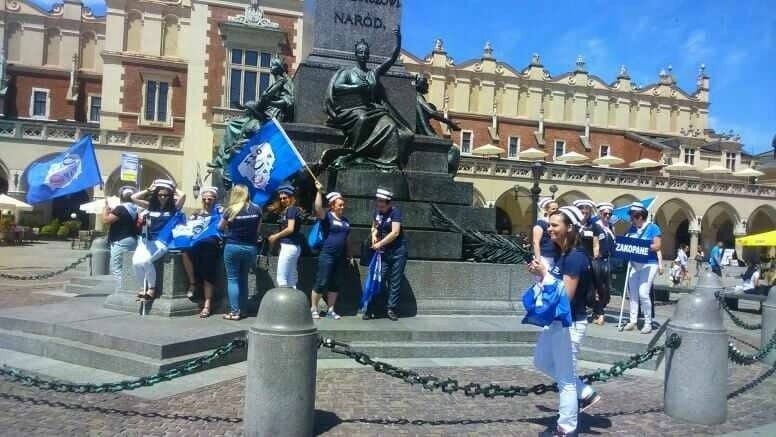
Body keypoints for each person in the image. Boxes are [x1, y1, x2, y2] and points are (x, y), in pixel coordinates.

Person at [528, 206, 600, 436]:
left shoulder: (576, 258)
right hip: (557, 323)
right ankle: (585, 392)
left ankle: (566, 429)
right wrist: (541, 274)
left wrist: (545, 274)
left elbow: (565, 297)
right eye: (549, 225)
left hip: (570, 324)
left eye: (554, 225)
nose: (549, 229)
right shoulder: (564, 255)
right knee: (541, 361)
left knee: (566, 380)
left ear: (569, 228)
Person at [130, 179, 186, 300]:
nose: (162, 197)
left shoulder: (174, 208)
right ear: (156, 195)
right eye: (160, 194)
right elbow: (133, 198)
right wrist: (149, 190)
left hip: (163, 241)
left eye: (166, 195)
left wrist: (171, 187)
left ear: (170, 195)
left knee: (146, 261)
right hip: (146, 240)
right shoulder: (150, 206)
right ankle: (141, 288)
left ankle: (151, 289)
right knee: (136, 262)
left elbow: (183, 195)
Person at [218, 185, 262, 320]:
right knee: (243, 279)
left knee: (232, 279)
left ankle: (234, 312)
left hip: (233, 246)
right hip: (250, 248)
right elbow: (258, 230)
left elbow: (220, 227)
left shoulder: (230, 210)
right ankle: (243, 310)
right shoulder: (257, 209)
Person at [310, 185, 353, 320]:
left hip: (340, 257)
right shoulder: (327, 217)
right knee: (321, 281)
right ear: (332, 205)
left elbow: (347, 240)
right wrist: (318, 191)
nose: (342, 207)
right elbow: (317, 208)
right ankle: (313, 308)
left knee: (335, 283)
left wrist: (350, 255)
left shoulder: (346, 221)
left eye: (343, 205)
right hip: (327, 255)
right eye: (339, 205)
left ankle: (331, 309)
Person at [365, 188, 407, 321]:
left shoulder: (395, 213)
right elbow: (374, 226)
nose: (379, 206)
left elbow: (395, 233)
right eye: (378, 203)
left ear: (388, 203)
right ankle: (371, 308)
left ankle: (391, 309)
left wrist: (380, 244)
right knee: (378, 279)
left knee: (395, 281)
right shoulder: (377, 212)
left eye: (382, 204)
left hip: (397, 252)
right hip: (383, 252)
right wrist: (373, 234)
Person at [181, 187, 222, 318]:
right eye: (204, 199)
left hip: (211, 245)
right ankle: (193, 284)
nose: (207, 201)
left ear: (215, 199)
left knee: (207, 267)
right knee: (184, 251)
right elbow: (189, 228)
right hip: (196, 244)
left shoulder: (219, 212)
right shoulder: (196, 213)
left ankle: (208, 303)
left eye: (210, 199)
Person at [622, 202, 662, 334]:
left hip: (649, 264)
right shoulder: (631, 230)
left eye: (632, 217)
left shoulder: (653, 228)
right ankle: (633, 320)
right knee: (632, 294)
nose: (631, 219)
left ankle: (648, 322)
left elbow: (657, 246)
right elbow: (626, 244)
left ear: (639, 216)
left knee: (643, 293)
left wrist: (642, 247)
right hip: (634, 264)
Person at [101, 186, 139, 289]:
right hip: (132, 239)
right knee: (128, 267)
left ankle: (121, 291)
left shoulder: (121, 208)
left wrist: (105, 210)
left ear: (121, 197)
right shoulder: (135, 208)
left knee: (116, 268)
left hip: (121, 240)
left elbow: (106, 220)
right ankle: (130, 288)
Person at [267, 184, 303, 289]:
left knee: (281, 278)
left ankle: (283, 305)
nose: (283, 200)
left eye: (285, 198)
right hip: (294, 247)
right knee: (291, 278)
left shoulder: (291, 210)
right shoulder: (292, 209)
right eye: (281, 198)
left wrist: (275, 236)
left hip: (289, 246)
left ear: (291, 197)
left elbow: (290, 228)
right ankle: (294, 303)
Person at [591, 202, 616, 325]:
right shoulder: (595, 226)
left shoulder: (611, 227)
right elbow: (593, 243)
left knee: (605, 290)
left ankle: (598, 310)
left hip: (608, 261)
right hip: (597, 261)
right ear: (600, 214)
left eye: (609, 214)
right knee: (599, 289)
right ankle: (600, 313)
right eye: (605, 214)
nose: (607, 216)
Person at [532, 197, 560, 270]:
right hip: (544, 257)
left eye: (557, 209)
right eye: (553, 209)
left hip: (556, 256)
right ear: (546, 210)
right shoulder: (540, 223)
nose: (555, 211)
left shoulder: (559, 223)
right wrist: (538, 260)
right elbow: (536, 242)